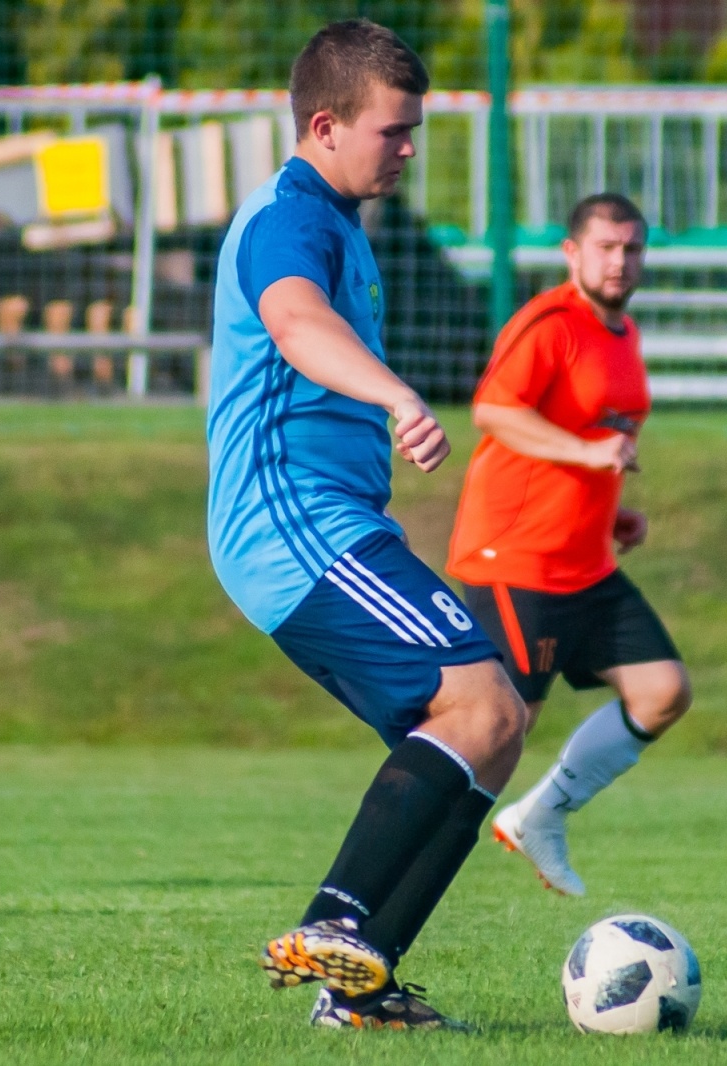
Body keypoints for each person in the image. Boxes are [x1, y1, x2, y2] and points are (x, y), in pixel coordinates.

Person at [205, 19, 527, 1030]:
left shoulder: (339, 220)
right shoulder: (289, 219)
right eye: (393, 131)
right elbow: (297, 322)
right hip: (290, 523)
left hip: (326, 523)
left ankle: (362, 986)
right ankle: (336, 924)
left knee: (495, 725)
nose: (407, 149)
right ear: (325, 123)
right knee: (475, 704)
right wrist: (394, 395)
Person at [445, 193, 690, 897]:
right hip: (516, 558)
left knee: (663, 690)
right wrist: (589, 458)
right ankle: (405, 863)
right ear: (572, 252)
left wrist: (614, 516)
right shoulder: (549, 322)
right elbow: (493, 409)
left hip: (585, 563)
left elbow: (594, 435)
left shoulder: (624, 334)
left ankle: (542, 815)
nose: (620, 261)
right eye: (606, 247)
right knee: (500, 727)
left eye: (632, 248)